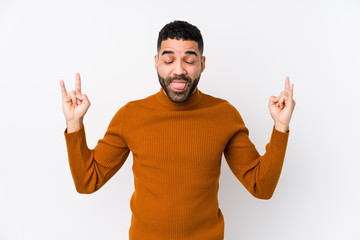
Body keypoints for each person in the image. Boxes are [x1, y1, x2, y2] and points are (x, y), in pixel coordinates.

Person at [60, 20, 295, 240]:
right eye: (169, 60)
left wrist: (280, 126)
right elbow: (87, 181)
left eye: (190, 61)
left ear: (202, 63)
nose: (179, 70)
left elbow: (261, 186)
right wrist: (74, 124)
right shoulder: (131, 116)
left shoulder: (224, 115)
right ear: (156, 62)